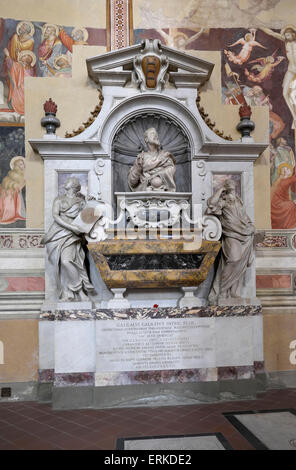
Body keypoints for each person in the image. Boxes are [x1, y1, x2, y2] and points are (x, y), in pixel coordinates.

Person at [42, 177, 95, 301]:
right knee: (62, 263)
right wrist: (71, 227)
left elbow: (87, 217)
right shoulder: (59, 200)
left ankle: (79, 290)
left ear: (74, 186)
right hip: (58, 233)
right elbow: (55, 216)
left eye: (69, 181)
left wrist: (90, 203)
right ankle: (70, 292)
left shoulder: (80, 201)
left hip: (72, 235)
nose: (66, 182)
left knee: (69, 261)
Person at [206, 179, 255, 302]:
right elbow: (211, 203)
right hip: (231, 234)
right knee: (234, 259)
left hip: (245, 234)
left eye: (233, 184)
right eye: (229, 184)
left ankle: (233, 292)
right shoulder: (223, 200)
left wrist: (250, 225)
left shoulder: (238, 201)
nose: (232, 185)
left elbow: (243, 216)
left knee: (240, 264)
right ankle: (222, 290)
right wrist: (220, 190)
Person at [260, 25, 296, 129]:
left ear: (293, 34)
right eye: (285, 35)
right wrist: (260, 26)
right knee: (285, 92)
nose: (286, 36)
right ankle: (294, 117)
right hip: (291, 69)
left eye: (288, 34)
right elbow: (272, 33)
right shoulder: (285, 41)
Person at [128, 128, 176, 192]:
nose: (156, 135)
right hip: (144, 189)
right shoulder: (141, 158)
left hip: (163, 188)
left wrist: (156, 175)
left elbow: (171, 169)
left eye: (156, 134)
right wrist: (138, 168)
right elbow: (132, 182)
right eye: (152, 133)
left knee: (156, 181)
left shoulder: (165, 155)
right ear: (146, 139)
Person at [3, 48, 36, 115]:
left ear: (29, 60)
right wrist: (10, 55)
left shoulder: (29, 68)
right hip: (21, 89)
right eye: (23, 56)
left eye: (25, 56)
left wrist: (8, 55)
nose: (23, 56)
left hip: (26, 89)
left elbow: (12, 65)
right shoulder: (20, 66)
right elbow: (12, 65)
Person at [0, 156, 26, 224]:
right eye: (20, 164)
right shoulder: (12, 173)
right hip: (6, 190)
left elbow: (21, 184)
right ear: (16, 166)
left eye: (23, 164)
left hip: (13, 190)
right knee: (8, 194)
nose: (23, 165)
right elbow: (8, 182)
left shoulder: (24, 174)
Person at [271, 163, 296, 229]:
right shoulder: (285, 180)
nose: (289, 169)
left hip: (278, 202)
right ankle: (291, 226)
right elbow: (294, 178)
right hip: (278, 205)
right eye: (287, 169)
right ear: (284, 172)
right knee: (291, 205)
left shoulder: (282, 180)